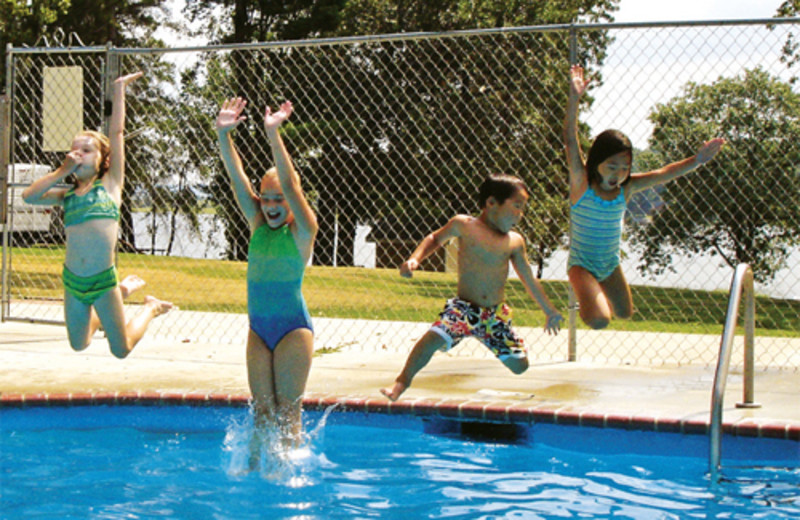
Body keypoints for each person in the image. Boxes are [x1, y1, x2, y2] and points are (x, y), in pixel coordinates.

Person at [22, 72, 173, 359]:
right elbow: (28, 196)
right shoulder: (65, 196)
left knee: (121, 348)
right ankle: (123, 293)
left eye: (86, 150)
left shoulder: (110, 186)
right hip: (73, 281)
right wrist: (61, 172)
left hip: (103, 282)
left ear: (104, 161)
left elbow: (116, 133)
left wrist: (118, 91)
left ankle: (151, 307)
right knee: (79, 344)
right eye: (74, 150)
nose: (77, 154)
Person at [564, 65, 725, 330]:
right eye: (612, 166)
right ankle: (587, 296)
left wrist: (697, 160)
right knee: (599, 320)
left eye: (624, 167)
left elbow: (664, 173)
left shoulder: (626, 189)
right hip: (581, 264)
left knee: (625, 313)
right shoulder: (582, 184)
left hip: (610, 264)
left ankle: (595, 292)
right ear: (596, 161)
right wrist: (574, 100)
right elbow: (570, 140)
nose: (618, 173)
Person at [380, 173, 564, 402]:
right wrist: (415, 259)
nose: (521, 213)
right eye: (516, 206)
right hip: (464, 310)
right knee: (433, 338)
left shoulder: (515, 241)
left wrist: (549, 310)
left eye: (523, 207)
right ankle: (401, 382)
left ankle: (480, 335)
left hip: (494, 315)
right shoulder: (464, 225)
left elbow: (527, 276)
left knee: (520, 367)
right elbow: (435, 238)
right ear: (491, 203)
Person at [215, 97, 317, 461]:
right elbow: (236, 177)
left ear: (291, 202)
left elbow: (291, 184)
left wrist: (274, 134)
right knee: (261, 412)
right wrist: (224, 135)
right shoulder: (258, 223)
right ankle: (256, 472)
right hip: (258, 330)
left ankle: (290, 482)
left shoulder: (303, 231)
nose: (271, 206)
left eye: (279, 200)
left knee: (288, 414)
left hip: (293, 330)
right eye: (266, 199)